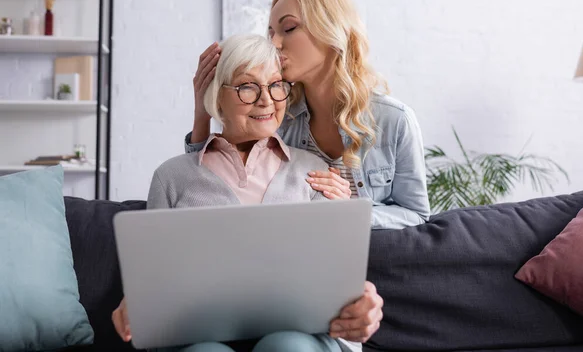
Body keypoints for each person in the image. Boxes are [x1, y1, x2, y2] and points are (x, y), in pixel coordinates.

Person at [112, 34, 383, 352]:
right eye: (247, 86)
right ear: (217, 95)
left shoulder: (316, 172)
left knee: (288, 347)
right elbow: (153, 274)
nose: (267, 100)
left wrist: (363, 299)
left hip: (299, 336)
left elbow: (337, 276)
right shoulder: (172, 177)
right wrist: (137, 303)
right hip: (198, 336)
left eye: (276, 84)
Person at [187, 0, 430, 231]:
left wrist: (353, 213)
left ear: (330, 31)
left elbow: (417, 214)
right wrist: (201, 115)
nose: (275, 43)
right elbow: (209, 184)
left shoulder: (395, 120)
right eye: (270, 33)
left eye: (288, 28)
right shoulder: (278, 115)